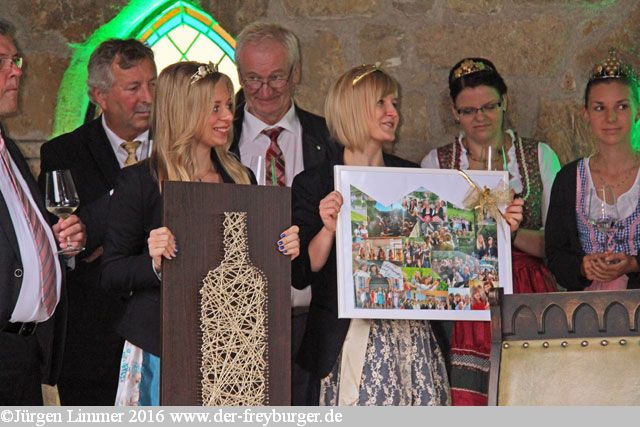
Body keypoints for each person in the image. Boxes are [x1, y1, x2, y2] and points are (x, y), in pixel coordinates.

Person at [100, 61, 299, 405]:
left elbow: (253, 265)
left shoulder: (242, 177)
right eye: (215, 108)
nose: (228, 117)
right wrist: (154, 263)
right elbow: (112, 271)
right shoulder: (140, 182)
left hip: (232, 344)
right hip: (162, 344)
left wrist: (282, 249)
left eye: (228, 106)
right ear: (184, 111)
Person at [292, 64, 450, 406]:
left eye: (394, 103)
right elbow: (302, 271)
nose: (393, 113)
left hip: (412, 336)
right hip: (343, 338)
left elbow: (436, 257)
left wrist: (496, 224)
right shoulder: (314, 182)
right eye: (382, 103)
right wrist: (328, 229)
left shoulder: (412, 174)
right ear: (353, 109)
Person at [421, 57, 552, 406]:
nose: (479, 117)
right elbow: (430, 250)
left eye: (489, 106)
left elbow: (556, 245)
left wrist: (511, 231)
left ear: (504, 102)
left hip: (526, 293)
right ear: (455, 113)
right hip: (462, 301)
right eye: (468, 110)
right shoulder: (438, 163)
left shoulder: (538, 157)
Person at [38, 38, 156, 405]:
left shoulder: (177, 148)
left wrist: (105, 242)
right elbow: (59, 243)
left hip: (162, 335)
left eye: (153, 84)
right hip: (92, 342)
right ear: (98, 95)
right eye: (133, 88)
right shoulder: (63, 153)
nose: (148, 97)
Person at [230, 22, 339, 405]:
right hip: (237, 322)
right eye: (252, 79)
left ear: (296, 73)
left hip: (310, 321)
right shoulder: (217, 140)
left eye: (276, 77)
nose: (264, 90)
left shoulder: (329, 139)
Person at [0, 19, 86, 405]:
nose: (17, 71)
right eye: (2, 61)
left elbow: (19, 241)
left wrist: (58, 246)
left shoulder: (9, 151)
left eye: (15, 60)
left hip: (25, 355)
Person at [546, 49, 640, 291]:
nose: (611, 118)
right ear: (585, 113)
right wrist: (581, 267)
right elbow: (555, 253)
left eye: (621, 106)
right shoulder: (569, 179)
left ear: (637, 111)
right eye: (599, 108)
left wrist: (633, 264)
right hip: (586, 308)